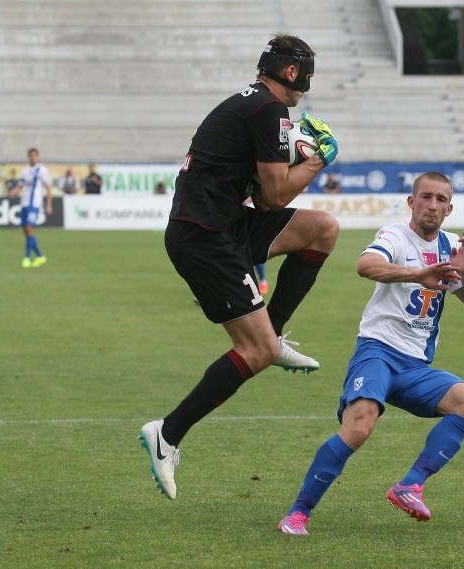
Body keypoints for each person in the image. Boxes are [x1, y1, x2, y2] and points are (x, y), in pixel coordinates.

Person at [139, 33, 340, 501]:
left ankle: (274, 330)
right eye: (307, 75)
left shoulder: (258, 107)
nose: (307, 85)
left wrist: (296, 153)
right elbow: (273, 195)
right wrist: (318, 161)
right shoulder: (268, 109)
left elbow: (259, 185)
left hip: (225, 224)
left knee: (322, 229)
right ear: (292, 73)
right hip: (204, 236)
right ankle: (166, 434)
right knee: (256, 352)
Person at [278, 172, 464, 536]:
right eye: (426, 197)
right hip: (378, 352)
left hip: (416, 366)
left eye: (441, 200)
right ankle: (298, 514)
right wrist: (419, 273)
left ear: (450, 208)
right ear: (412, 201)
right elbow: (366, 266)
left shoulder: (452, 247)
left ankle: (410, 486)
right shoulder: (394, 235)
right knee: (359, 429)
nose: (433, 205)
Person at [8, 148, 52, 268]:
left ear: (37, 157)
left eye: (34, 156)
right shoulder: (26, 170)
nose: (32, 158)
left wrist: (48, 204)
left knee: (29, 228)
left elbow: (48, 187)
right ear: (29, 157)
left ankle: (27, 258)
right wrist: (14, 192)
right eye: (31, 156)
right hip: (24, 203)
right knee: (26, 231)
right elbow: (21, 185)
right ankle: (40, 256)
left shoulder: (42, 170)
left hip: (35, 203)